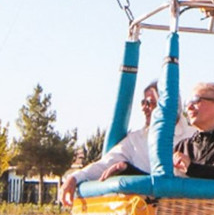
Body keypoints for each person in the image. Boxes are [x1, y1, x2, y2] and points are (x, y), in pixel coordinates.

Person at [59, 82, 195, 206]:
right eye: (143, 103)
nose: (144, 108)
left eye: (150, 103)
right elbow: (104, 164)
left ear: (167, 105)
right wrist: (74, 178)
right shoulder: (135, 140)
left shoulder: (194, 136)